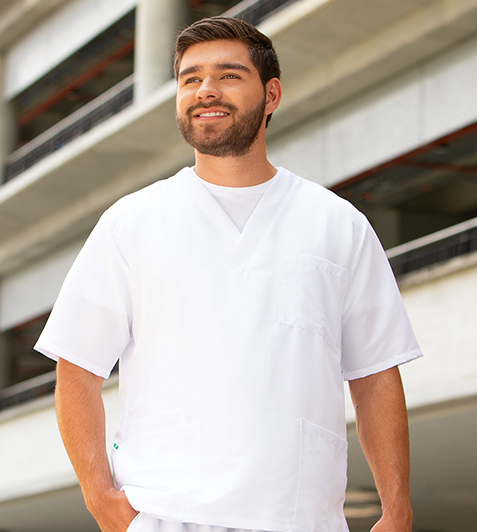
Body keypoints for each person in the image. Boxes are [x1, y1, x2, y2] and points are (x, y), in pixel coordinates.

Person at [34, 15, 422, 532]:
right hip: (166, 514)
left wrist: (396, 507)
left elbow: (375, 374)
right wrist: (101, 498)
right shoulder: (132, 223)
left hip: (300, 516)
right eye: (190, 78)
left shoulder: (336, 224)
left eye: (229, 75)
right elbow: (77, 366)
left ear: (272, 94)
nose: (206, 90)